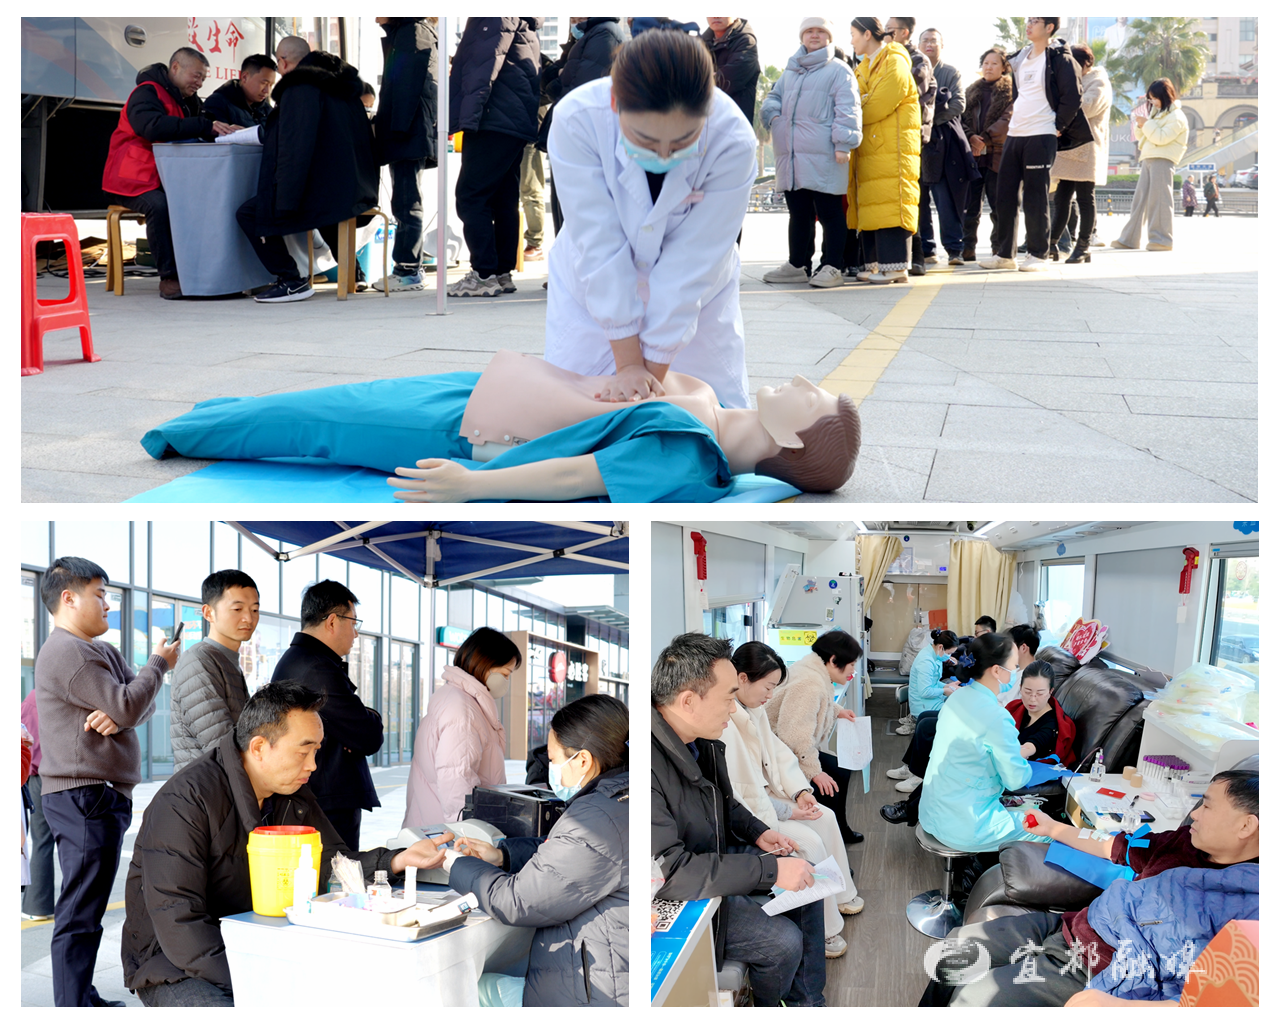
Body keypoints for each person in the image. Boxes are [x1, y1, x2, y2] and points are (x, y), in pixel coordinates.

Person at [139, 351, 862, 502]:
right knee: (328, 402)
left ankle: (183, 432)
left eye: (812, 398)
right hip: (488, 392)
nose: (804, 382)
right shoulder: (714, 412)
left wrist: (473, 487)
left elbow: (579, 476)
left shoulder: (692, 456)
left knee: (312, 422)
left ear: (793, 441)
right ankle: (210, 417)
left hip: (463, 431)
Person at [121, 682, 452, 1007]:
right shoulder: (185, 801)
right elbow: (180, 924)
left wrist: (397, 860)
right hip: (175, 964)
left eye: (316, 751)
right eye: (303, 751)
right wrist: (260, 981)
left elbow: (332, 864)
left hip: (258, 940)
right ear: (259, 747)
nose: (312, 765)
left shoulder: (291, 794)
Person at [545, 30, 758, 408]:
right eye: (644, 140)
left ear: (707, 110)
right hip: (594, 289)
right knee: (575, 411)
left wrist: (648, 379)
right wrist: (628, 365)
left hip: (696, 300)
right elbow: (599, 242)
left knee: (708, 414)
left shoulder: (732, 140)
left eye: (682, 142)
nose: (663, 156)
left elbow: (693, 262)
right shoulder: (577, 119)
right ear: (615, 101)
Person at [924, 769, 1259, 1006]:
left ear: (1246, 825)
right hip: (1074, 927)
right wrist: (1052, 828)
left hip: (1101, 969)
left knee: (975, 1001)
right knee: (953, 952)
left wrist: (1122, 1008)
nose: (1194, 814)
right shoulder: (1182, 841)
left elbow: (1215, 1000)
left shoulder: (1253, 909)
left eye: (1207, 806)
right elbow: (1114, 846)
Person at [34, 557, 180, 1006]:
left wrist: (120, 716)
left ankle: (80, 995)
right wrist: (157, 665)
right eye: (99, 595)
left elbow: (138, 705)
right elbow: (131, 701)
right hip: (83, 794)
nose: (108, 605)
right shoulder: (69, 652)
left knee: (89, 905)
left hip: (95, 794)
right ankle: (72, 1004)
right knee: (80, 908)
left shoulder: (100, 651)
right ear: (68, 598)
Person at [652, 633, 826, 1007]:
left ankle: (808, 1001)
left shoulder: (698, 742)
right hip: (685, 888)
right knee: (782, 943)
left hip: (712, 856)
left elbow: (724, 802)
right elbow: (673, 872)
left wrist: (758, 832)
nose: (733, 709)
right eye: (728, 698)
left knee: (807, 877)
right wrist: (769, 871)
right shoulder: (646, 767)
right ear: (688, 701)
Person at [446, 694, 629, 1006]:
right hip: (605, 966)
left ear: (583, 761)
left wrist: (454, 864)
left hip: (594, 991)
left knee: (470, 990)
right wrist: (502, 855)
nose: (552, 769)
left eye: (554, 760)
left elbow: (517, 901)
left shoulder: (596, 818)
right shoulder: (620, 797)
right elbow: (565, 853)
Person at [722, 642, 862, 960]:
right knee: (810, 844)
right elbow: (741, 795)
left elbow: (780, 754)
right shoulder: (726, 721)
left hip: (770, 794)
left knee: (825, 816)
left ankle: (841, 894)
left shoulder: (754, 710)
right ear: (742, 679)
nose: (771, 695)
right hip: (758, 810)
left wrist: (801, 791)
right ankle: (825, 928)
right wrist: (789, 810)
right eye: (768, 687)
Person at [235, 36, 378, 303]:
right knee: (328, 209)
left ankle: (291, 281)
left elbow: (294, 147)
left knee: (252, 213)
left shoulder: (300, 88)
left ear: (283, 62)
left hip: (328, 190)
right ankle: (353, 273)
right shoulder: (343, 87)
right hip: (355, 188)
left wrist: (284, 198)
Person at [100, 47, 235, 300]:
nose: (199, 83)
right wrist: (204, 126)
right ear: (175, 67)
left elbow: (201, 126)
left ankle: (203, 270)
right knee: (159, 206)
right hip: (131, 179)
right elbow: (152, 127)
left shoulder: (189, 101)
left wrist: (225, 130)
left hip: (167, 177)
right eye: (196, 75)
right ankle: (169, 278)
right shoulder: (146, 92)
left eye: (203, 78)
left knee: (206, 200)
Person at [270, 580, 383, 851]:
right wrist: (369, 718)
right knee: (336, 875)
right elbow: (368, 736)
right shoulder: (317, 668)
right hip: (324, 804)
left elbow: (355, 728)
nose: (356, 633)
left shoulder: (304, 660)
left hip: (317, 797)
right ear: (332, 621)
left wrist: (357, 722)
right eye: (353, 622)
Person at [916, 632, 1046, 855]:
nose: (1015, 673)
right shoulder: (997, 716)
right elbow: (1016, 779)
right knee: (1045, 829)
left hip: (931, 813)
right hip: (964, 825)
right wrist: (1019, 754)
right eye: (1014, 667)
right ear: (996, 670)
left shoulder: (957, 697)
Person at [761, 19, 862, 289]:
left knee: (830, 212)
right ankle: (798, 265)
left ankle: (832, 266)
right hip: (792, 155)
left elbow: (848, 108)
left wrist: (843, 144)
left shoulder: (839, 70)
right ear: (801, 36)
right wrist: (773, 117)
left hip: (825, 152)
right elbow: (773, 97)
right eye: (809, 31)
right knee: (798, 212)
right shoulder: (791, 70)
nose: (814, 35)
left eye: (820, 31)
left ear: (829, 37)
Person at [979, 18, 1087, 272]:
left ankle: (1038, 254)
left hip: (1041, 133)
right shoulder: (1021, 58)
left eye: (1036, 21)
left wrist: (1058, 126)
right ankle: (1005, 254)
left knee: (1036, 196)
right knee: (1005, 195)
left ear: (1049, 27)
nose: (1029, 24)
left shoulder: (1060, 59)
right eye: (1029, 20)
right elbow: (1020, 95)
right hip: (1015, 133)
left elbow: (1073, 97)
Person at [447, 17, 542, 297]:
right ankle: (501, 272)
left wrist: (467, 117)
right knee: (503, 198)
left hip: (492, 118)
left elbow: (483, 66)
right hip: (513, 121)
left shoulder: (495, 15)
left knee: (471, 196)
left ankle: (483, 274)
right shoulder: (522, 21)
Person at [405, 627, 519, 825]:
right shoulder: (463, 710)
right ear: (485, 664)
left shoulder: (456, 698)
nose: (507, 681)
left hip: (432, 824)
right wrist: (467, 833)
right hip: (450, 834)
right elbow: (457, 780)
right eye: (505, 673)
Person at [765, 630, 864, 845]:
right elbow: (794, 736)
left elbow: (814, 706)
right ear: (833, 660)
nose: (853, 671)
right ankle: (829, 843)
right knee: (829, 787)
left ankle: (840, 829)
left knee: (841, 770)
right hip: (779, 755)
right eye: (851, 664)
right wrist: (815, 773)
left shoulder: (812, 669)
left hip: (789, 747)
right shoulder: (810, 683)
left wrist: (838, 711)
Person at [846, 17, 921, 285]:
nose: (851, 40)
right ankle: (875, 265)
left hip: (892, 148)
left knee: (891, 201)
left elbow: (878, 103)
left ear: (867, 34)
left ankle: (896, 267)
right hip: (870, 148)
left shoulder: (895, 59)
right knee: (872, 205)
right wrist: (861, 103)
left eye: (853, 34)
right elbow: (854, 102)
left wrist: (860, 105)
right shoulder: (862, 67)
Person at [538, 18, 625, 235]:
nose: (574, 19)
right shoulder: (588, 35)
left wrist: (556, 81)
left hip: (583, 135)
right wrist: (558, 76)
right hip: (573, 133)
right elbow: (560, 75)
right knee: (564, 211)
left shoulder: (605, 33)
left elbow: (579, 90)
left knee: (576, 214)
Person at [372, 18, 439, 291]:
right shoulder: (411, 30)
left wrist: (392, 130)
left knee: (407, 201)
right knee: (406, 200)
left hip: (407, 129)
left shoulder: (413, 31)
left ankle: (408, 269)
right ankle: (409, 268)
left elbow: (406, 86)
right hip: (408, 128)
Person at [170, 569, 259, 772]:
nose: (248, 618)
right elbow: (221, 744)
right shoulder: (198, 661)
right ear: (208, 613)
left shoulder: (227, 660)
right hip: (203, 786)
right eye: (237, 609)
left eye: (254, 610)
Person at [1048, 45, 1112, 264]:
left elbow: (1089, 107)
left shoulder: (1099, 81)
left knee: (1085, 198)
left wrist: (1064, 99)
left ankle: (1083, 246)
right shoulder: (1070, 80)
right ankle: (1051, 243)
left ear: (1086, 63)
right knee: (1062, 198)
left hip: (1087, 147)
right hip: (1068, 147)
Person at [883, 17, 935, 277]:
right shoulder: (885, 57)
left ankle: (918, 256)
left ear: (904, 32)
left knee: (913, 199)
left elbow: (904, 91)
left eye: (888, 30)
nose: (883, 34)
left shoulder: (916, 60)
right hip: (888, 138)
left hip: (910, 138)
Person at [1112, 78, 1189, 252]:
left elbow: (1161, 138)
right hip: (1149, 157)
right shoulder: (1158, 114)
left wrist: (1146, 124)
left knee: (1160, 200)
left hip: (1163, 159)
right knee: (1140, 201)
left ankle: (1162, 240)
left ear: (1166, 96)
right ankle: (1129, 239)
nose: (1153, 101)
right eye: (1151, 98)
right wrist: (1141, 125)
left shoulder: (1177, 116)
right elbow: (1144, 137)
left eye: (1155, 98)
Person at [916, 28, 970, 266]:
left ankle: (954, 248)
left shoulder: (950, 72)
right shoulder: (910, 68)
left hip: (941, 143)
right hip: (914, 141)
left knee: (944, 198)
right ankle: (926, 248)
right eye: (925, 40)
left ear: (942, 45)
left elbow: (959, 104)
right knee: (918, 199)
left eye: (934, 41)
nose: (929, 44)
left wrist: (929, 120)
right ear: (918, 44)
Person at [20, 690, 55, 921]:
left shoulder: (32, 700)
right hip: (68, 775)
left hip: (39, 776)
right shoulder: (72, 693)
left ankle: (37, 907)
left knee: (42, 840)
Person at [896, 627, 959, 744]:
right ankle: (916, 720)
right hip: (922, 703)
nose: (949, 656)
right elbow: (925, 691)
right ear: (941, 647)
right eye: (949, 653)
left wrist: (948, 686)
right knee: (954, 714)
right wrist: (945, 690)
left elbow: (933, 682)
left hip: (928, 697)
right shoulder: (926, 661)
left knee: (954, 703)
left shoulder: (935, 654)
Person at [1005, 660, 1075, 761]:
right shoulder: (1014, 707)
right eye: (1027, 691)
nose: (1032, 699)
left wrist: (1020, 752)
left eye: (1040, 693)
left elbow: (1033, 745)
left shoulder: (1053, 724)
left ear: (1050, 692)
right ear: (1020, 688)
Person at [702, 18, 761, 126]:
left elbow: (723, 82)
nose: (716, 15)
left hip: (733, 127)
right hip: (703, 127)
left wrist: (698, 79)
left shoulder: (747, 43)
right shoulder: (699, 43)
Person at [203, 54, 277, 128]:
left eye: (271, 85)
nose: (267, 91)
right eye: (264, 83)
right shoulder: (217, 103)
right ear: (245, 77)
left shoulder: (267, 109)